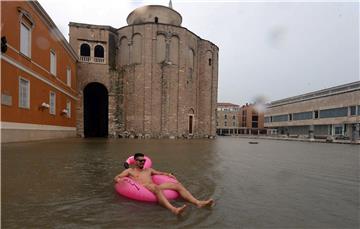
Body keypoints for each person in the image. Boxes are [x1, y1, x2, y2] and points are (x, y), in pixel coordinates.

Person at [114, 153, 214, 215]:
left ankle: (198, 203)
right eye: (140, 161)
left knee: (177, 185)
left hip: (154, 186)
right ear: (135, 161)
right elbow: (117, 177)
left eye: (144, 161)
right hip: (143, 188)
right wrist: (120, 180)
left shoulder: (148, 170)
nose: (142, 162)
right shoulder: (130, 171)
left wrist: (169, 174)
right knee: (155, 187)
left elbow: (160, 173)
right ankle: (173, 209)